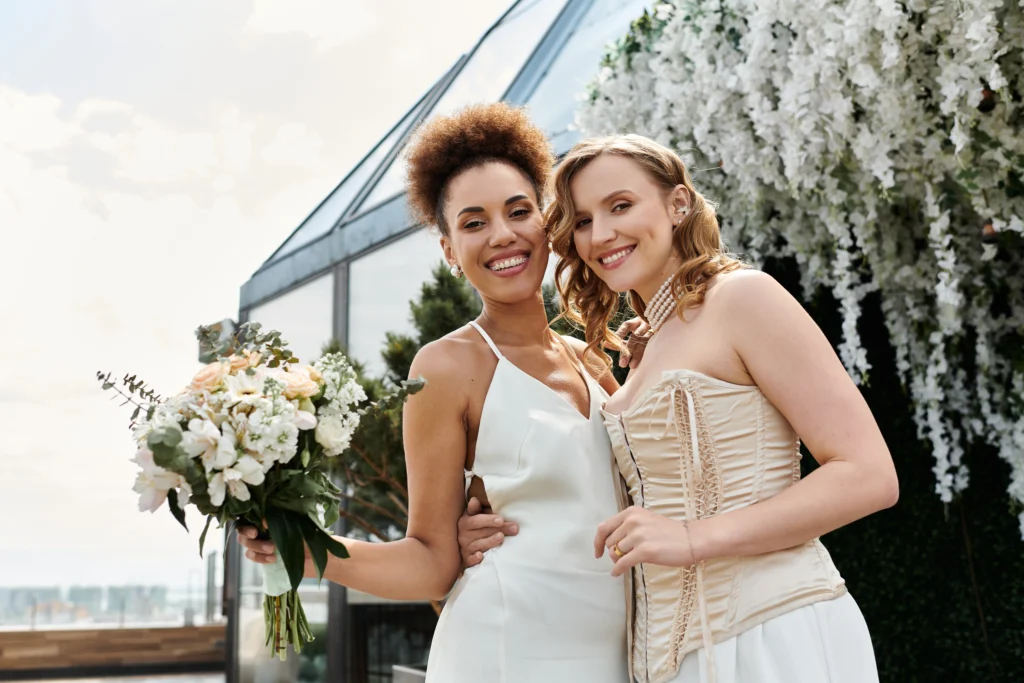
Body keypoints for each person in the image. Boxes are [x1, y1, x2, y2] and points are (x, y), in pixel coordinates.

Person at [461, 134, 898, 683]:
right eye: (584, 220)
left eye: (621, 205)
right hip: (674, 662)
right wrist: (488, 526)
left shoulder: (743, 297)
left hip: (772, 636)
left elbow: (868, 475)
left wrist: (693, 539)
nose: (602, 234)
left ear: (678, 204)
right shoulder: (647, 345)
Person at [238, 103, 631, 683]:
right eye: (473, 223)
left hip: (615, 652)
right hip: (506, 649)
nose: (502, 234)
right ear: (449, 250)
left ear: (548, 222)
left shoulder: (595, 359)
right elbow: (430, 561)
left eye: (518, 211)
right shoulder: (446, 366)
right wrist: (309, 550)